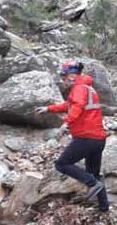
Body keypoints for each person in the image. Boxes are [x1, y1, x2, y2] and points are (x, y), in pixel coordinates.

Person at [37, 61, 109, 212]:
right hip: (98, 139)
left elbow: (77, 106)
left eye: (64, 78)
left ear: (71, 76)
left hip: (86, 137)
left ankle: (92, 185)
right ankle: (104, 208)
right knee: (94, 174)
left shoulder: (79, 88)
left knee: (62, 164)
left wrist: (66, 123)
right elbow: (68, 105)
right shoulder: (87, 88)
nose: (63, 81)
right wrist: (48, 109)